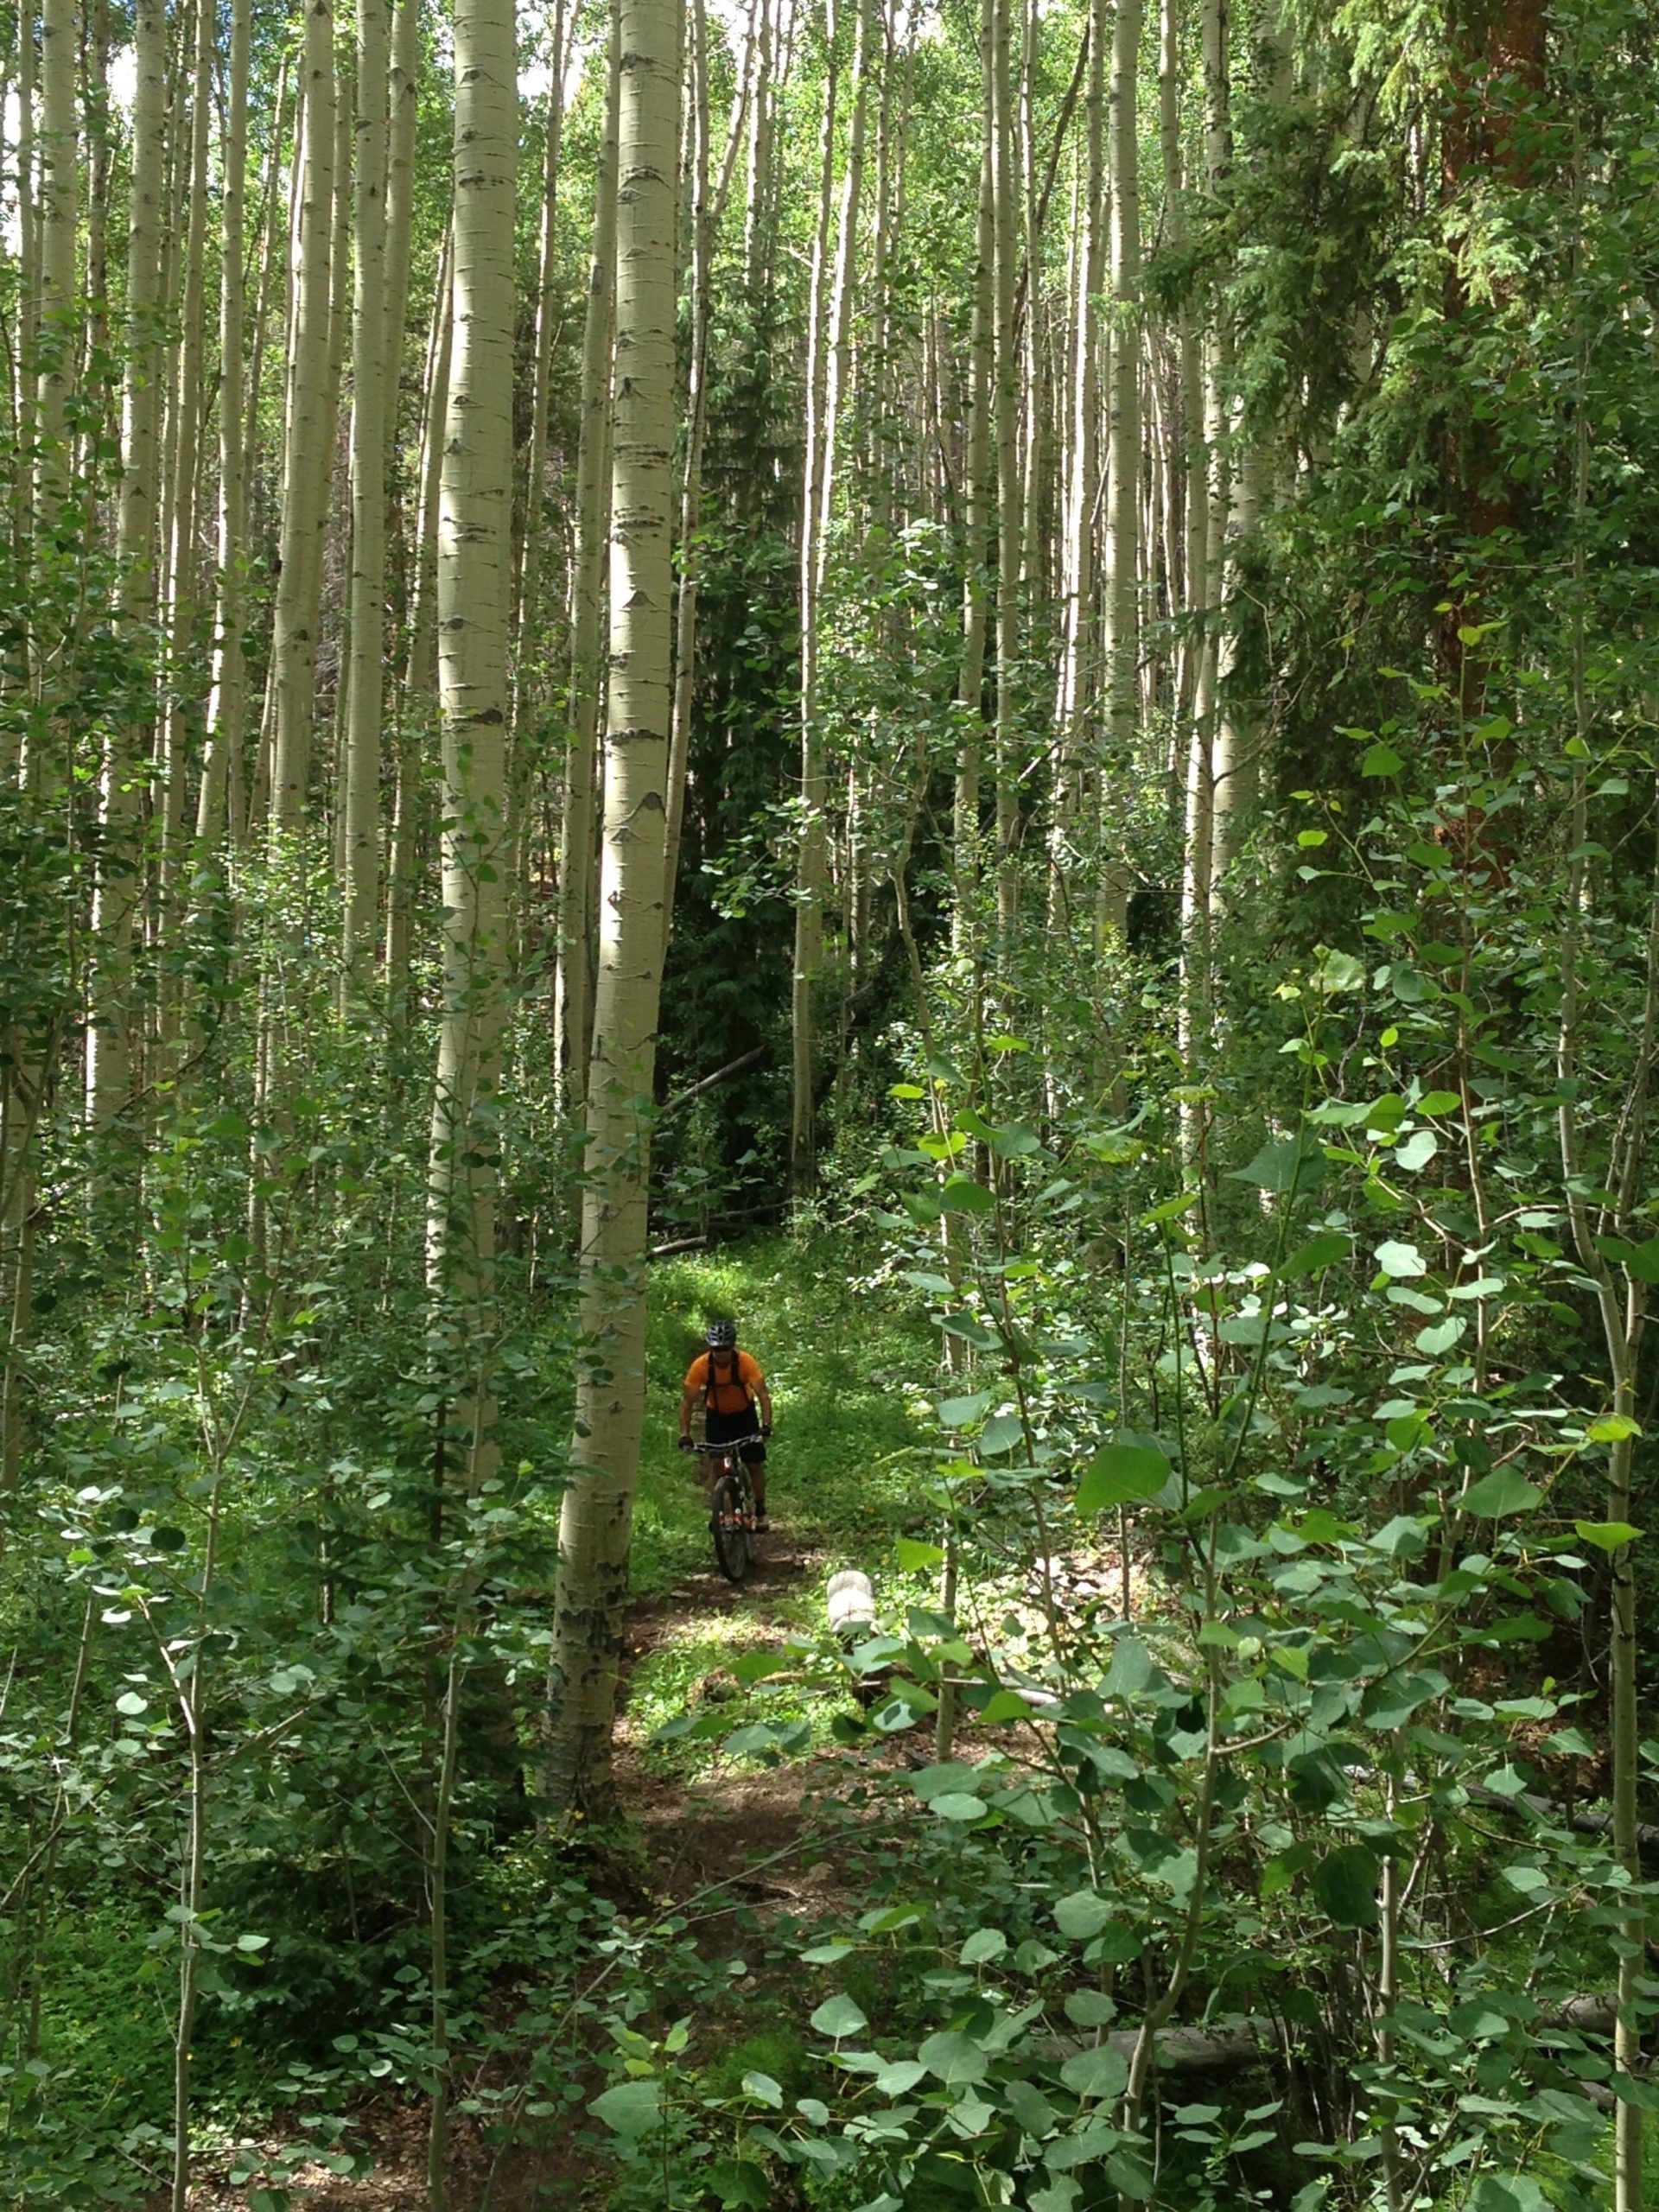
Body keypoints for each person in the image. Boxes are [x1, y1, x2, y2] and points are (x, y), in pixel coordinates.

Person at [678, 1319, 773, 1529]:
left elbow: (763, 1396)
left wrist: (766, 1426)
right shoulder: (701, 1366)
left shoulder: (745, 1362)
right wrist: (684, 1434)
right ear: (711, 1348)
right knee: (715, 1463)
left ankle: (760, 1509)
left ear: (733, 1347)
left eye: (725, 1349)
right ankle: (717, 1510)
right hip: (717, 1415)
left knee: (754, 1463)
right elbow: (687, 1402)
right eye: (717, 1349)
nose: (721, 1353)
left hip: (744, 1415)